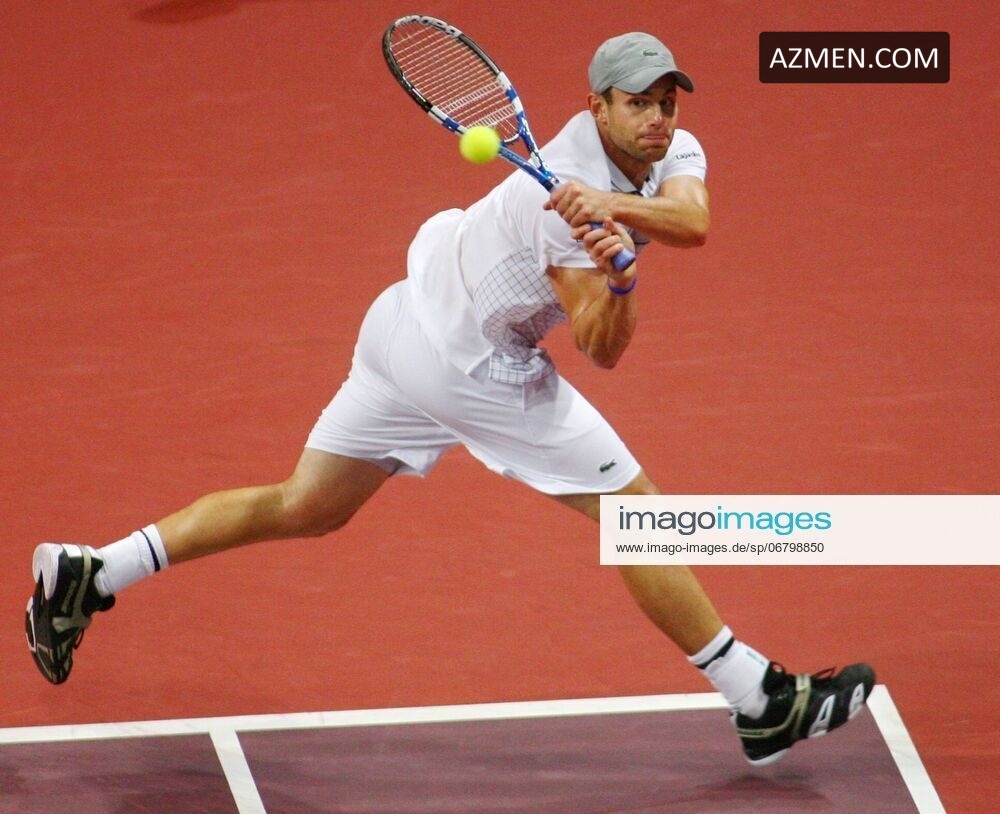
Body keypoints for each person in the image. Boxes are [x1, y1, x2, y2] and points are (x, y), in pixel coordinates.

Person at [25, 32, 874, 765]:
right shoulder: (556, 204)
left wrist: (616, 227)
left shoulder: (667, 153)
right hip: (472, 363)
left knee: (307, 504)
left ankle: (94, 572)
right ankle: (759, 700)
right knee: (635, 514)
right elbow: (602, 349)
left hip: (402, 323)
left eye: (667, 102)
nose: (657, 118)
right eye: (637, 104)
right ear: (597, 107)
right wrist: (616, 282)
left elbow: (693, 221)